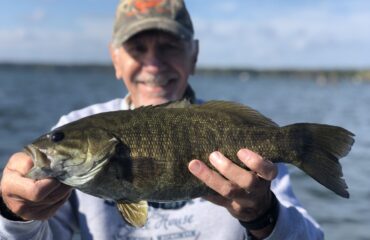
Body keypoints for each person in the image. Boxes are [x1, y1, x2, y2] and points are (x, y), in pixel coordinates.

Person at [0, 0, 324, 239]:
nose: (153, 65)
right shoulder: (76, 121)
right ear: (115, 59)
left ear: (194, 56)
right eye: (137, 49)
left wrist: (263, 215)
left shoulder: (242, 139)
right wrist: (15, 214)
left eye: (169, 47)